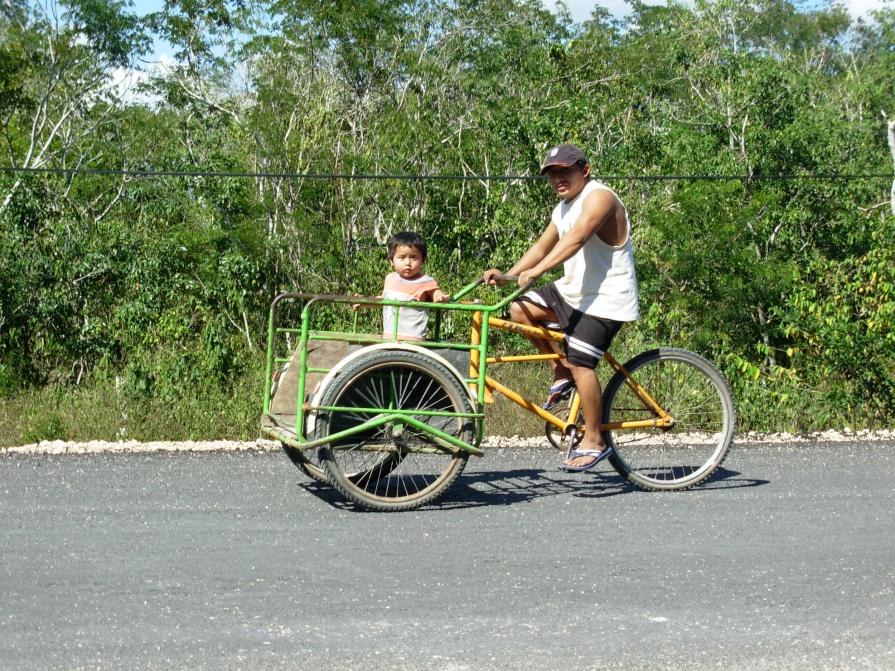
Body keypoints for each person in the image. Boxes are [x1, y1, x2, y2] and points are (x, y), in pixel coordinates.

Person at [483, 143, 639, 472]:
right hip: (572, 292)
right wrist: (509, 275)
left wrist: (537, 272)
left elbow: (578, 238)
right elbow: (543, 245)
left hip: (605, 299)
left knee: (584, 363)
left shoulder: (600, 197)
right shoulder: (563, 208)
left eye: (564, 172)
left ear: (584, 169)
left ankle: (595, 439)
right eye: (552, 174)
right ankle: (561, 369)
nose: (558, 180)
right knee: (520, 309)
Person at [380, 231, 449, 340]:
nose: (407, 262)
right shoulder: (390, 278)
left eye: (413, 257)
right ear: (391, 261)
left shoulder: (427, 281)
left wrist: (440, 297)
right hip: (389, 337)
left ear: (423, 260)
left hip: (413, 339)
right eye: (402, 257)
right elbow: (382, 300)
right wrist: (363, 302)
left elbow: (436, 293)